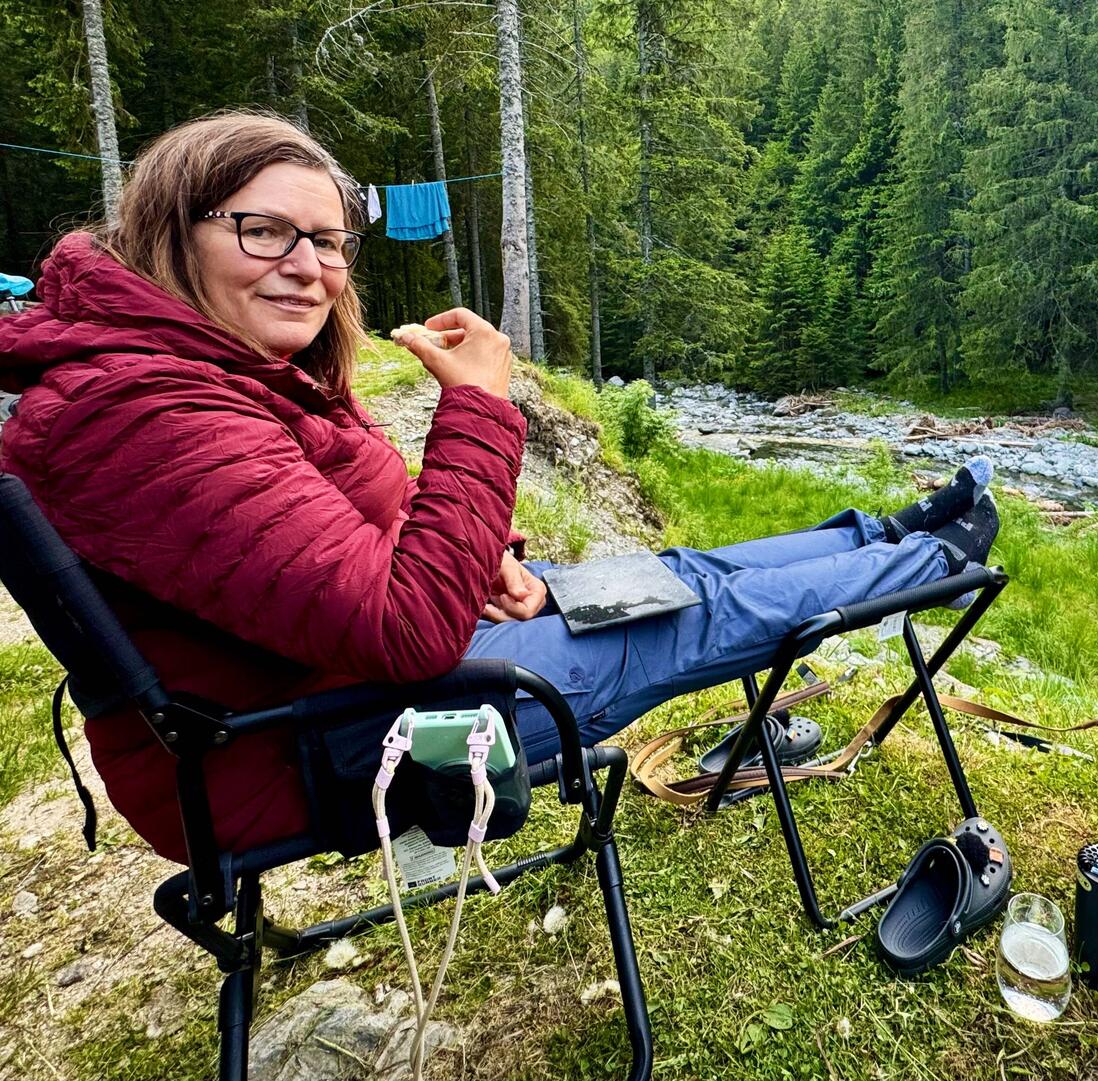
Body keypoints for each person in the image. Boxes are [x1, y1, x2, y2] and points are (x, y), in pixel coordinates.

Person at [0, 113, 998, 863]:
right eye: (266, 231)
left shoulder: (205, 364)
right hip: (303, 750)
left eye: (330, 241)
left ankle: (880, 534)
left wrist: (489, 559)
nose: (310, 268)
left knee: (668, 575)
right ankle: (929, 563)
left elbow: (339, 528)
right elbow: (408, 630)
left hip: (342, 671)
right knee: (692, 620)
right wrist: (478, 403)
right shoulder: (141, 410)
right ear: (173, 231)